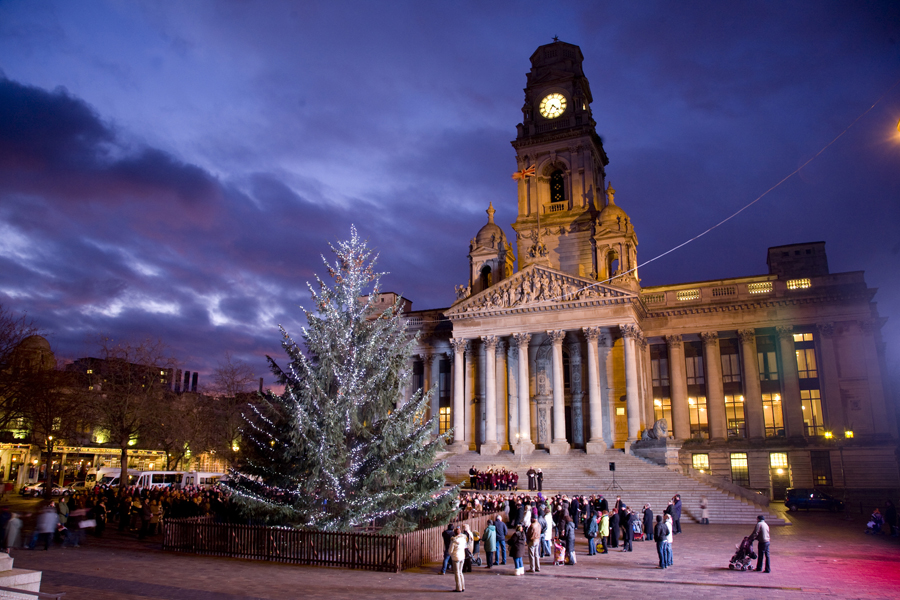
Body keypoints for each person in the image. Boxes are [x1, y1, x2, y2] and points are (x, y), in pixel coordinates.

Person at [448, 526, 467, 592]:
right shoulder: (463, 539)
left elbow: (450, 551)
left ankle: (458, 587)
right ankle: (463, 586)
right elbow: (465, 547)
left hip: (456, 557)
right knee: (461, 572)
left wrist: (452, 554)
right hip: (462, 556)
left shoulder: (454, 541)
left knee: (457, 572)